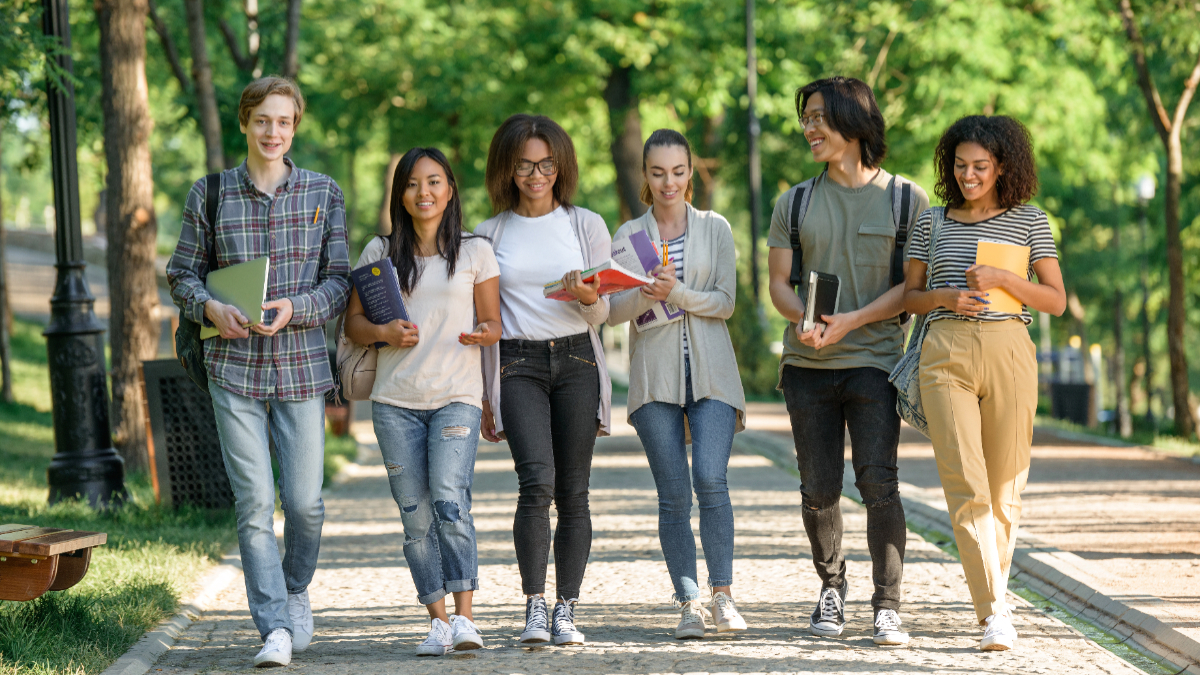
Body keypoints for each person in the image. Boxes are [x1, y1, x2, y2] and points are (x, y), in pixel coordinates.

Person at [166, 76, 351, 668]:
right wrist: (209, 307)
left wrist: (299, 309)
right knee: (254, 505)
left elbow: (340, 281)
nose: (273, 132)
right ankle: (272, 626)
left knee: (304, 505)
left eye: (284, 122)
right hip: (233, 368)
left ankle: (296, 591)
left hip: (299, 367)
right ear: (245, 122)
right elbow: (181, 274)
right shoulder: (211, 194)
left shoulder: (324, 192)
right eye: (263, 120)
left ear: (295, 126)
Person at [766, 76, 929, 646]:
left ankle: (888, 606)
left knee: (879, 482)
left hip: (876, 362)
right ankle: (831, 589)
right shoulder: (795, 200)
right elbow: (779, 285)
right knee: (817, 488)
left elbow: (911, 290)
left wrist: (851, 322)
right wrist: (803, 322)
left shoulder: (907, 199)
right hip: (807, 366)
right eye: (805, 117)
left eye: (818, 117)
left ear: (854, 124)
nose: (809, 128)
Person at [902, 115, 1065, 651]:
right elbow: (910, 298)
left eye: (980, 166)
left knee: (1004, 489)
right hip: (944, 350)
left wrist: (1004, 280)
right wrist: (946, 298)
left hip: (1010, 349)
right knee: (965, 481)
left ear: (1002, 167)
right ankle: (994, 610)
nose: (968, 175)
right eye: (960, 164)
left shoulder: (1029, 221)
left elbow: (1055, 300)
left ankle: (993, 597)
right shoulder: (931, 221)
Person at [343, 147, 501, 656]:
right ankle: (436, 620)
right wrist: (384, 331)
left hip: (457, 395)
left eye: (434, 182)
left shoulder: (476, 251)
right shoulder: (379, 252)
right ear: (400, 195)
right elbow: (353, 326)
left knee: (451, 501)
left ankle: (465, 620)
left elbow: (493, 323)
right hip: (395, 402)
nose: (424, 192)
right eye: (412, 184)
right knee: (415, 516)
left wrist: (483, 334)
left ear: (450, 189)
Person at [476, 114, 613, 646]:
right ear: (506, 169)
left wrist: (587, 298)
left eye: (546, 163)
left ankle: (566, 611)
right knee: (535, 483)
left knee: (573, 491)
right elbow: (485, 319)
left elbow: (602, 313)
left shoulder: (586, 225)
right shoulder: (488, 235)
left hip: (577, 360)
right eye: (524, 165)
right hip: (517, 364)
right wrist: (484, 395)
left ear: (561, 165)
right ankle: (534, 606)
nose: (536, 175)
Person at [606, 129, 748, 639]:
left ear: (691, 171)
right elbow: (611, 310)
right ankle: (688, 602)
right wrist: (647, 294)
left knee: (711, 478)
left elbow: (726, 302)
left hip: (712, 375)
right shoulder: (626, 237)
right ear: (645, 175)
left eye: (679, 171)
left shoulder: (716, 229)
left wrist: (679, 292)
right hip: (654, 381)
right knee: (673, 496)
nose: (670, 182)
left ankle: (724, 596)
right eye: (659, 172)